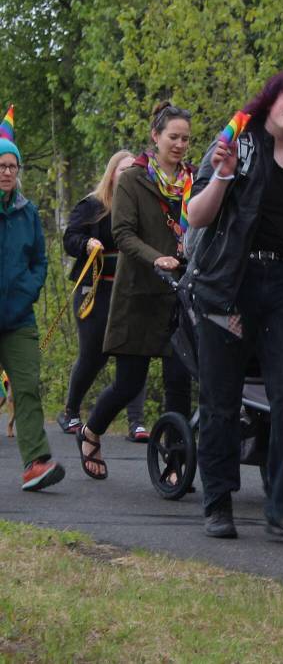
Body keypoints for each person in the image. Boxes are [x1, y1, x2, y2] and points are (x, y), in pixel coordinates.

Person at [186, 71, 283, 543]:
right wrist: (223, 176)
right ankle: (218, 502)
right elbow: (196, 215)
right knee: (221, 402)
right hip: (228, 285)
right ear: (271, 101)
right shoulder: (236, 147)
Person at [77, 102, 193, 480]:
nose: (179, 144)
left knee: (179, 383)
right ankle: (91, 431)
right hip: (139, 293)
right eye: (172, 137)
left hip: (179, 294)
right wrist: (156, 258)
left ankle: (174, 466)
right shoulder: (133, 180)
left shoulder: (192, 182)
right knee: (129, 383)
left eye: (185, 139)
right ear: (155, 137)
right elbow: (123, 234)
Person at [59, 150, 151, 443]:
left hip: (130, 290)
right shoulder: (93, 205)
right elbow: (69, 238)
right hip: (95, 289)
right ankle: (71, 410)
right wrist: (87, 243)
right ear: (111, 173)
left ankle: (136, 421)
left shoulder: (142, 206)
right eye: (121, 170)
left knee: (134, 351)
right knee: (94, 353)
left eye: (131, 170)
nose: (126, 175)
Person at [0, 116, 66, 491]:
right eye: (1, 165)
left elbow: (39, 260)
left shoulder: (28, 212)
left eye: (12, 166)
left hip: (19, 319)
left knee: (26, 387)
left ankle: (36, 463)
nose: (7, 171)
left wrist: (29, 289)